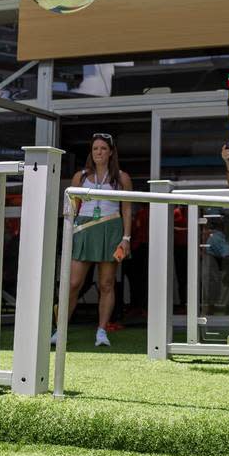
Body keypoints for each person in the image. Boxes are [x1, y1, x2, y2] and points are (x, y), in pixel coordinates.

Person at [54, 133, 133, 347]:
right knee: (73, 283)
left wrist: (126, 238)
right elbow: (71, 208)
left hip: (111, 230)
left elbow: (127, 209)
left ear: (111, 152)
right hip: (84, 230)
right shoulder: (80, 177)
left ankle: (101, 331)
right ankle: (60, 330)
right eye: (95, 149)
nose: (99, 152)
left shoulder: (122, 178)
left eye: (103, 149)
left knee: (106, 283)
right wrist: (69, 233)